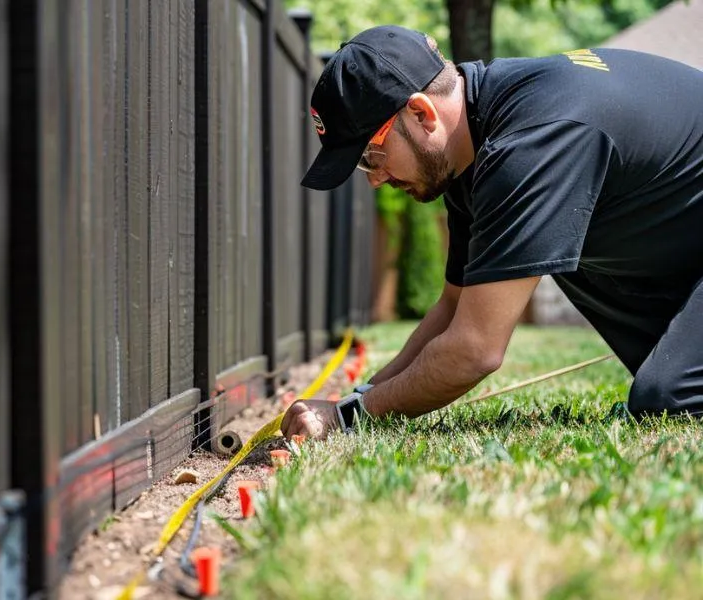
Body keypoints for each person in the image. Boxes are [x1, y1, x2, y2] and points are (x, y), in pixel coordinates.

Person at [280, 25, 703, 441]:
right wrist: (358, 400)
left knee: (670, 398)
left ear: (422, 113)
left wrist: (347, 418)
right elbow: (454, 306)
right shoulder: (474, 145)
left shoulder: (531, 143)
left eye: (372, 155)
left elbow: (473, 350)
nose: (374, 179)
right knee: (540, 246)